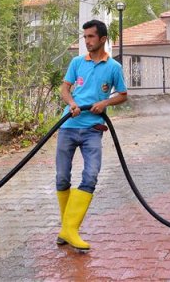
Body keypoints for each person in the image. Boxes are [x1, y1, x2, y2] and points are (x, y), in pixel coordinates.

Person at [56, 19, 128, 252]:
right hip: (69, 126)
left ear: (103, 39)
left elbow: (123, 95)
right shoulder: (77, 62)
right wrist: (73, 103)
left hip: (93, 129)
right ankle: (67, 228)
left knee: (91, 175)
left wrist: (105, 102)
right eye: (85, 37)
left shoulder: (113, 68)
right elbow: (64, 89)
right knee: (62, 178)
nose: (86, 41)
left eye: (91, 37)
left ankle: (69, 229)